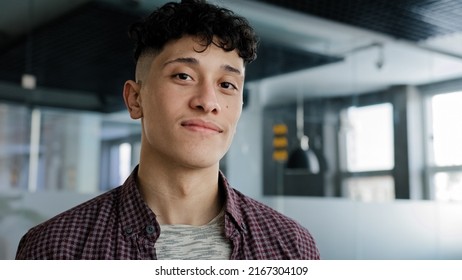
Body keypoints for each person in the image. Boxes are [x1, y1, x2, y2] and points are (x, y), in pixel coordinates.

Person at [15, 0, 320, 260]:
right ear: (135, 99)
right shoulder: (55, 249)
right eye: (184, 76)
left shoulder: (291, 247)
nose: (208, 102)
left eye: (227, 85)